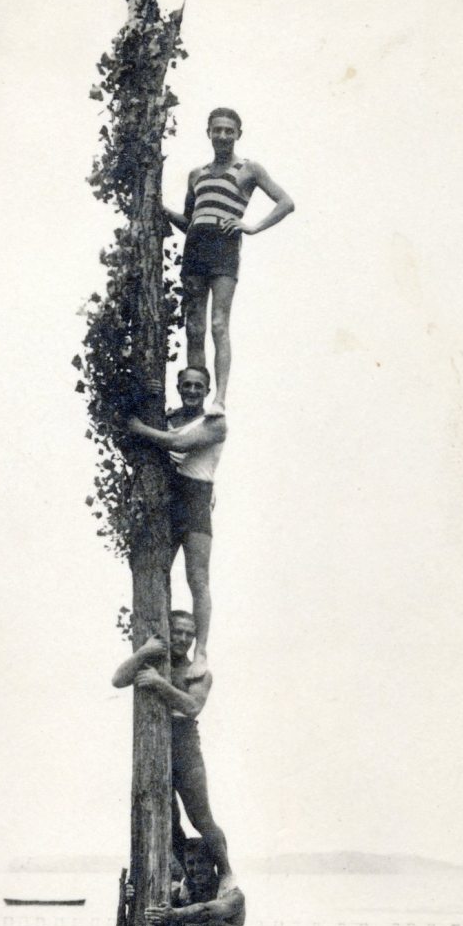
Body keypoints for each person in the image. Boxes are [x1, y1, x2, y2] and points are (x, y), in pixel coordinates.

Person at [164, 106, 294, 416]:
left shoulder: (249, 169)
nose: (222, 135)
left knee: (219, 324)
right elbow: (189, 219)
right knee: (193, 327)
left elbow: (286, 202)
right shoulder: (197, 174)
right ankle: (193, 401)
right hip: (195, 248)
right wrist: (161, 210)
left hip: (224, 249)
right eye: (217, 130)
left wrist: (251, 226)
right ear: (208, 132)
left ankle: (219, 400)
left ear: (238, 134)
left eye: (229, 131)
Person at [112, 608, 231, 881]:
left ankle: (226, 872)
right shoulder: (153, 660)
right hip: (155, 750)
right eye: (178, 631)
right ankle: (181, 881)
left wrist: (157, 683)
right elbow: (118, 680)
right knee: (169, 821)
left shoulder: (198, 672)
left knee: (201, 818)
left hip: (185, 750)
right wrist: (143, 653)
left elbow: (192, 706)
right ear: (168, 631)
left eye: (190, 634)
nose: (183, 638)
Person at [124, 366, 224, 679]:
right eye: (187, 385)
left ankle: (202, 651)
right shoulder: (167, 418)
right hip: (169, 497)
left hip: (196, 499)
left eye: (199, 386)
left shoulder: (215, 422)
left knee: (197, 577)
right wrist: (145, 396)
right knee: (152, 566)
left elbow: (177, 445)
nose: (192, 391)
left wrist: (138, 427)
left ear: (207, 391)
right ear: (179, 388)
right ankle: (155, 642)